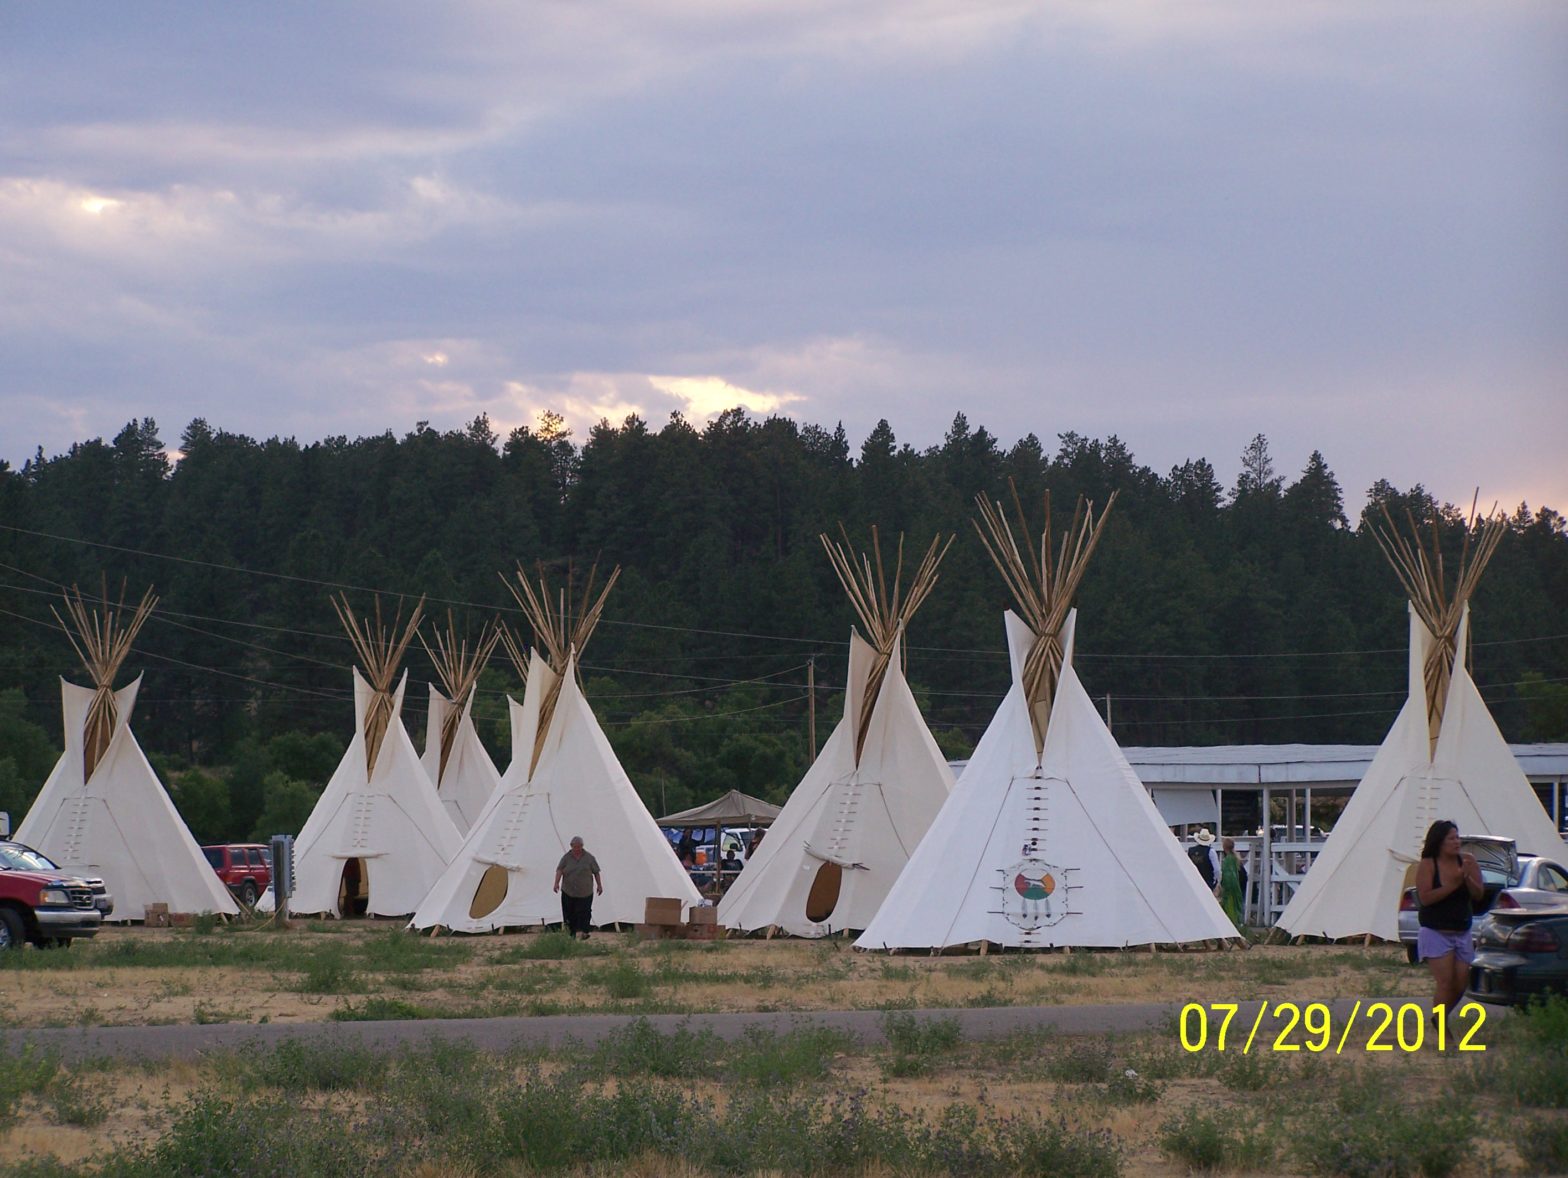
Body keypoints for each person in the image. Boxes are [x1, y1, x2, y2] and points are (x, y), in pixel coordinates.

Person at [1415, 819, 1484, 1020]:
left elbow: (1478, 894)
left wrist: (1467, 878)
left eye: (1457, 837)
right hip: (1436, 931)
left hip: (1462, 931)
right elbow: (1426, 898)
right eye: (1451, 838)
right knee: (1446, 983)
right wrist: (1452, 884)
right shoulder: (1428, 864)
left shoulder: (1468, 861)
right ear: (1439, 842)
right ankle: (1442, 1027)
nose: (1456, 842)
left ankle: (1439, 1017)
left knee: (1461, 984)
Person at [553, 836, 603, 940]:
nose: (577, 849)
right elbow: (559, 870)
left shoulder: (589, 858)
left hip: (585, 891)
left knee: (585, 911)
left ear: (582, 846)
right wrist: (556, 883)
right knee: (569, 912)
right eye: (575, 847)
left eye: (579, 847)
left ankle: (585, 931)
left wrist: (599, 885)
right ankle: (571, 934)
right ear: (571, 846)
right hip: (568, 890)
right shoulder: (566, 858)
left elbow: (596, 872)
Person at [1218, 836, 1246, 927]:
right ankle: (1238, 923)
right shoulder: (1236, 858)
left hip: (1231, 887)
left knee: (1230, 905)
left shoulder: (1228, 860)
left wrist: (1222, 887)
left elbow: (1227, 876)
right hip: (1240, 884)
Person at [1189, 828, 1222, 894]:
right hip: (1208, 881)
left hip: (1194, 881)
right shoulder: (1211, 851)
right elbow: (1217, 870)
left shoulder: (1191, 851)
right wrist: (1217, 881)